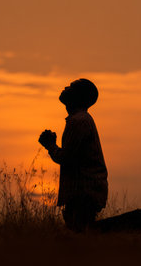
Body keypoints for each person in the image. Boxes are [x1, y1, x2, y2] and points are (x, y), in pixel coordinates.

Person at [38, 78, 108, 232]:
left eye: (71, 87)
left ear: (78, 96)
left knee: (82, 236)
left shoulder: (79, 122)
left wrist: (50, 145)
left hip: (83, 193)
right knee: (84, 235)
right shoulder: (80, 120)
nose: (65, 87)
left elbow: (66, 158)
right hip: (85, 191)